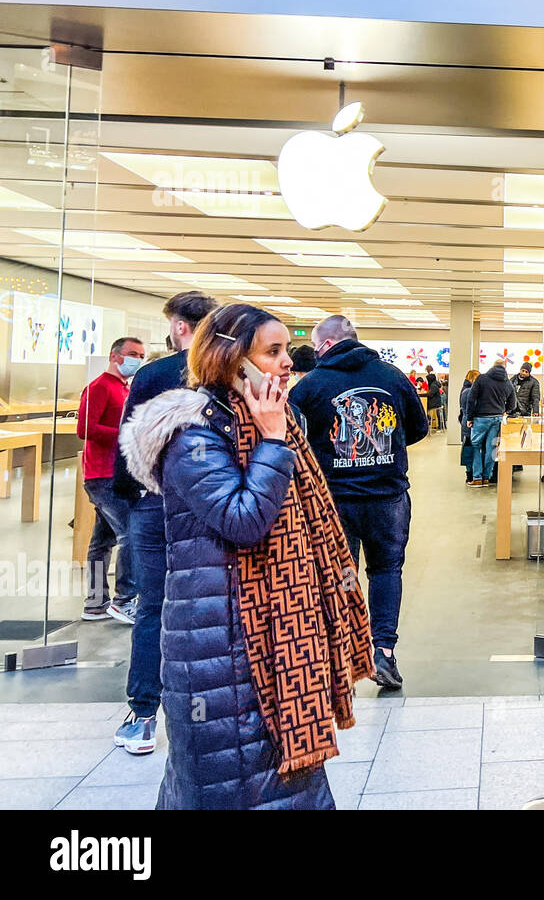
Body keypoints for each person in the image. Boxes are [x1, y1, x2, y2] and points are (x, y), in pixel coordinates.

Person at [119, 303, 372, 809]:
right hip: (225, 643)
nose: (286, 363)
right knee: (229, 779)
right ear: (234, 361)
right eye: (272, 352)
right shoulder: (193, 434)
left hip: (263, 637)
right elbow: (243, 520)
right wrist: (275, 441)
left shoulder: (262, 422)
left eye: (285, 351)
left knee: (275, 778)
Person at [289, 314, 429, 690]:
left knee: (340, 575)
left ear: (326, 345)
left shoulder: (310, 386)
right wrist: (387, 449)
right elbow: (418, 428)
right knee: (386, 571)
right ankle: (383, 651)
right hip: (388, 496)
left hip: (335, 500)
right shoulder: (393, 377)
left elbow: (292, 442)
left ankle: (342, 657)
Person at [111, 290, 218, 756]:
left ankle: (143, 715)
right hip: (210, 506)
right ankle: (211, 714)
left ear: (178, 326)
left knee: (154, 604)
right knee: (214, 606)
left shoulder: (153, 375)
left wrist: (129, 492)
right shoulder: (227, 373)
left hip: (156, 504)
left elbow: (129, 441)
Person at [79, 335, 146, 625]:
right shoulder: (99, 388)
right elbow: (85, 428)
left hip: (114, 473)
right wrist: (124, 435)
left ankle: (95, 602)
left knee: (101, 541)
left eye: (141, 355)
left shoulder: (123, 389)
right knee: (129, 533)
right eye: (133, 353)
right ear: (115, 356)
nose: (137, 359)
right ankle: (124, 599)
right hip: (102, 475)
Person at [465, 357, 517, 486]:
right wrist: (503, 410)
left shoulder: (481, 379)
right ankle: (487, 477)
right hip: (497, 418)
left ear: (492, 366)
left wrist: (469, 417)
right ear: (505, 368)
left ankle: (477, 478)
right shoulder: (508, 383)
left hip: (480, 418)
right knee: (491, 448)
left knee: (476, 446)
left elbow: (471, 399)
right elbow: (513, 404)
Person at [458, 369, 480, 483]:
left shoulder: (464, 390)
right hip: (470, 424)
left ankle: (470, 475)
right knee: (471, 450)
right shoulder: (470, 392)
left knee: (468, 449)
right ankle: (471, 475)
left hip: (465, 423)